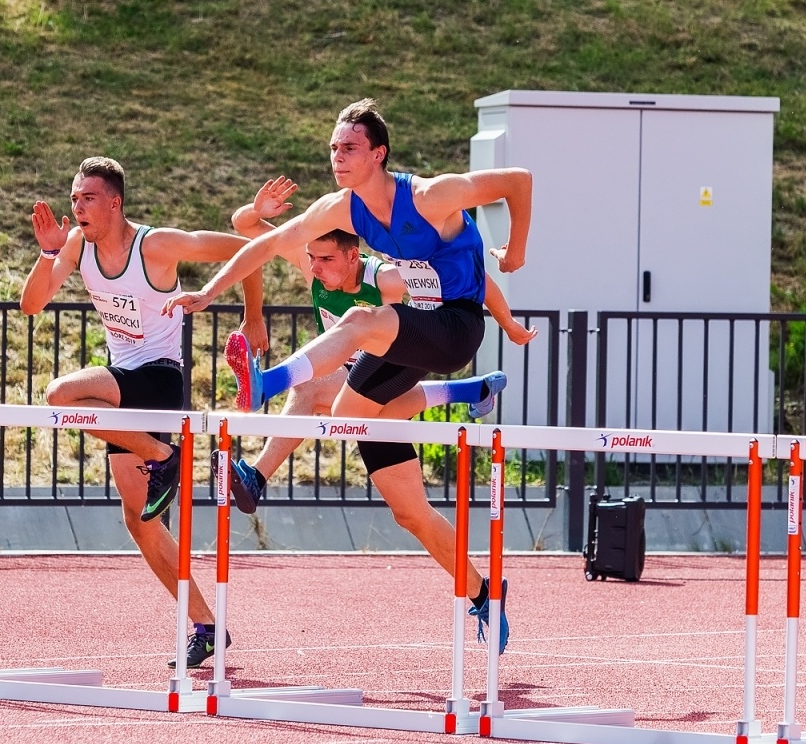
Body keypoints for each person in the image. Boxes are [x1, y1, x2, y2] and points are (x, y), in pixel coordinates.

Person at [164, 100, 532, 652]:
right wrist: (210, 293)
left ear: (378, 154)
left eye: (349, 148)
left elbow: (518, 181)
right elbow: (264, 241)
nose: (337, 157)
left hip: (453, 328)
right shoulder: (340, 208)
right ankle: (484, 590)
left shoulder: (432, 196)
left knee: (360, 323)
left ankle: (269, 384)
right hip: (406, 340)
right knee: (385, 475)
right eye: (333, 148)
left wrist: (515, 255)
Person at [20, 156, 267, 668]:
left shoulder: (154, 245)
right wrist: (47, 254)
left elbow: (249, 249)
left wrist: (253, 314)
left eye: (87, 198)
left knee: (60, 396)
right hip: (121, 386)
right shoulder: (75, 246)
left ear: (114, 202)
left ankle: (162, 454)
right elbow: (31, 304)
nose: (77, 207)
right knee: (141, 524)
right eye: (73, 198)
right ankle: (206, 624)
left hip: (157, 380)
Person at [224, 180, 537, 513]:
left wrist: (508, 324)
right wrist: (257, 210)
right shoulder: (311, 264)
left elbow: (479, 281)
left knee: (310, 389)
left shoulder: (386, 278)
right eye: (313, 258)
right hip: (349, 372)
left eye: (327, 260)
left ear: (352, 256)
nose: (317, 268)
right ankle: (470, 390)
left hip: (391, 363)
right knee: (339, 407)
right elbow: (246, 227)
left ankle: (256, 475)